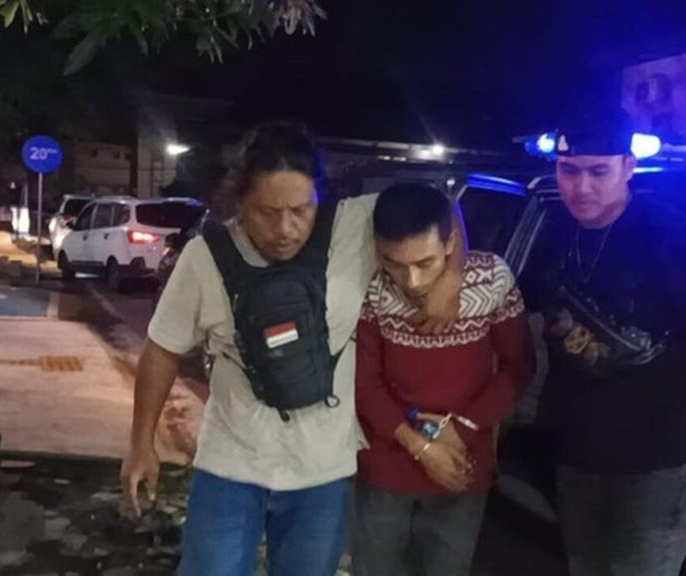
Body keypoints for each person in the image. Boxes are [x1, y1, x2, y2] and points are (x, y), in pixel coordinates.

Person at [120, 122, 465, 576]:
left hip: (323, 472)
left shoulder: (354, 225)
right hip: (230, 465)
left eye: (301, 210)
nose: (285, 229)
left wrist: (452, 278)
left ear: (319, 195)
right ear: (240, 200)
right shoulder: (204, 258)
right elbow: (162, 349)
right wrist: (141, 443)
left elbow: (441, 207)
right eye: (266, 212)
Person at [521, 108, 686, 575]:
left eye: (598, 171)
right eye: (569, 170)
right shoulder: (556, 233)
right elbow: (517, 310)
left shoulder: (672, 237)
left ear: (628, 167)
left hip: (657, 465)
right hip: (576, 457)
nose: (581, 187)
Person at [352, 183, 535, 576]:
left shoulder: (490, 279)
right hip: (385, 469)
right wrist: (420, 447)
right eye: (394, 262)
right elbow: (365, 385)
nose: (412, 279)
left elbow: (518, 367)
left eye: (426, 262)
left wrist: (463, 428)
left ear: (451, 243)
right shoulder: (374, 287)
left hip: (461, 467)